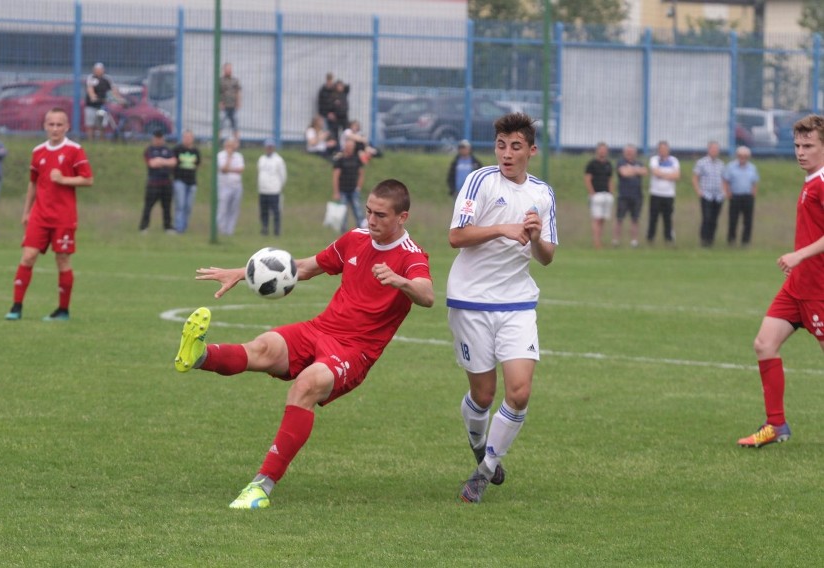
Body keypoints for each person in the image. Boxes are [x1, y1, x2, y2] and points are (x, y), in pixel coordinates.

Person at [173, 178, 434, 509]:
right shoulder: (355, 239)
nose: (371, 221)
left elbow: (427, 294)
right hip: (321, 328)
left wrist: (400, 281)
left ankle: (261, 486)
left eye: (380, 215)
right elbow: (307, 267)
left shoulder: (412, 256)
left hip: (355, 351)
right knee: (264, 347)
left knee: (306, 384)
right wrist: (244, 271)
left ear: (402, 218)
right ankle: (200, 356)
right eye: (368, 211)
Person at [447, 112, 558, 504]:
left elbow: (546, 257)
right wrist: (503, 228)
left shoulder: (543, 194)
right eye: (500, 146)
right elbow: (456, 236)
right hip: (470, 300)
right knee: (483, 394)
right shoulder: (479, 180)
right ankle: (480, 443)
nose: (506, 154)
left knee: (520, 391)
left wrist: (534, 236)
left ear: (531, 150)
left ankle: (485, 469)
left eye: (515, 147)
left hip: (517, 303)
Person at [737, 114, 824, 449]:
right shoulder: (810, 180)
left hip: (818, 289)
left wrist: (799, 255)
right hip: (797, 286)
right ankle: (775, 425)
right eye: (797, 145)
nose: (800, 152)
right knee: (764, 344)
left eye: (809, 146)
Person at [4, 108, 93, 321]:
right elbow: (33, 183)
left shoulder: (74, 150)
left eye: (59, 125)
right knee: (28, 256)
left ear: (67, 127)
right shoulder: (38, 152)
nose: (55, 129)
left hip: (64, 217)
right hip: (39, 215)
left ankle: (63, 310)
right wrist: (26, 211)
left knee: (62, 261)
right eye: (51, 124)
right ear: (44, 126)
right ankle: (16, 307)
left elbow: (88, 179)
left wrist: (64, 180)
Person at [139, 130, 178, 234]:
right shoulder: (149, 150)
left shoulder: (168, 150)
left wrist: (160, 160)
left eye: (160, 138)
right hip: (153, 183)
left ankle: (168, 227)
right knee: (148, 206)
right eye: (156, 138)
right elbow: (152, 163)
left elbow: (173, 162)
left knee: (167, 206)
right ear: (153, 139)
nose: (158, 140)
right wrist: (165, 162)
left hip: (166, 183)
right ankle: (144, 227)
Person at [722, 145, 759, 246]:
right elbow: (725, 180)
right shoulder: (731, 166)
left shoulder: (752, 168)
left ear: (748, 157)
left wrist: (753, 194)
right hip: (735, 196)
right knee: (733, 220)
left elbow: (754, 182)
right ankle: (731, 241)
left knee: (748, 221)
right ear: (737, 156)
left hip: (747, 197)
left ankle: (745, 242)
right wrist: (727, 192)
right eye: (740, 155)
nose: (743, 158)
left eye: (745, 156)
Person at [691, 141, 725, 247]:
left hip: (718, 196)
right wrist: (699, 191)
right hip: (706, 195)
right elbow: (695, 178)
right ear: (709, 150)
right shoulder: (701, 163)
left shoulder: (721, 164)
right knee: (707, 218)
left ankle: (711, 240)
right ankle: (704, 240)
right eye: (713, 149)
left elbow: (724, 179)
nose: (715, 151)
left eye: (716, 149)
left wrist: (724, 192)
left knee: (714, 219)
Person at [646, 140, 680, 245]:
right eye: (661, 149)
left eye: (665, 149)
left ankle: (668, 239)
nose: (663, 151)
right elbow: (655, 172)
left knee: (668, 218)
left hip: (669, 194)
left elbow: (677, 176)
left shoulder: (674, 160)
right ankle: (650, 238)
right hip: (656, 193)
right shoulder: (654, 160)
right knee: (653, 217)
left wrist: (663, 175)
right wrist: (669, 175)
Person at [614, 144, 647, 247]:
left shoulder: (639, 163)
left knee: (635, 219)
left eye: (631, 152)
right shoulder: (620, 162)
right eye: (628, 152)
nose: (629, 154)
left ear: (635, 153)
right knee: (619, 219)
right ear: (624, 153)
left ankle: (634, 241)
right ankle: (616, 240)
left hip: (637, 195)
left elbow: (645, 172)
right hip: (623, 195)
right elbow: (623, 173)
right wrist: (636, 170)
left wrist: (631, 170)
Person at [584, 142, 615, 249]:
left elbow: (610, 179)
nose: (602, 151)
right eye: (601, 149)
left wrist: (611, 192)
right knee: (596, 218)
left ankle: (599, 240)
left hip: (606, 194)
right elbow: (587, 179)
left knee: (602, 219)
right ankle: (596, 241)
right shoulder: (592, 164)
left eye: (604, 149)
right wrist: (592, 192)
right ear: (597, 150)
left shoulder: (608, 164)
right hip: (596, 194)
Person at [332, 137, 366, 231]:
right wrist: (336, 192)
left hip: (353, 189)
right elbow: (336, 176)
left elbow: (361, 173)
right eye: (348, 146)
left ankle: (362, 230)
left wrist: (358, 187)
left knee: (358, 211)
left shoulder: (357, 159)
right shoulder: (340, 159)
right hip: (343, 190)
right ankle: (343, 231)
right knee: (343, 213)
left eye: (352, 146)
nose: (350, 148)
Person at [172, 129, 202, 234]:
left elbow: (198, 164)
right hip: (180, 180)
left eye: (189, 137)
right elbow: (173, 163)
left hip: (192, 182)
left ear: (192, 139)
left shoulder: (195, 151)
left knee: (188, 206)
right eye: (185, 137)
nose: (187, 139)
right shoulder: (177, 149)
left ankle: (184, 226)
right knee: (180, 204)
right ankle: (178, 227)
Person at [85, 62, 124, 140]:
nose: (98, 71)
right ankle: (90, 141)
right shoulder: (91, 78)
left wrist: (120, 99)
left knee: (101, 125)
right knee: (90, 125)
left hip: (101, 106)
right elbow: (90, 89)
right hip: (91, 105)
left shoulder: (107, 79)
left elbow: (114, 90)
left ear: (103, 70)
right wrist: (93, 97)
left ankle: (101, 141)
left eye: (100, 69)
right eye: (96, 69)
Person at [257, 138, 287, 236]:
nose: (269, 148)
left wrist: (279, 186)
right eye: (267, 147)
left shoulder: (278, 160)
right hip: (263, 190)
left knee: (276, 212)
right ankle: (264, 228)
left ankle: (276, 230)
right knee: (263, 211)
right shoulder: (261, 159)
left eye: (270, 147)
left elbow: (283, 175)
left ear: (273, 148)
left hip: (274, 190)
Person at [216, 137, 245, 236]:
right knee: (223, 209)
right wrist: (228, 158)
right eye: (228, 145)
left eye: (232, 146)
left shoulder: (238, 156)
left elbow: (240, 170)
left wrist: (229, 169)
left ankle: (229, 231)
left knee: (233, 209)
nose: (230, 148)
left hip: (237, 186)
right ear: (225, 146)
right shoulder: (220, 156)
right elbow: (223, 169)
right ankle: (221, 230)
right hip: (224, 186)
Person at [219, 62, 242, 139]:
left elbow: (238, 92)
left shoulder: (235, 80)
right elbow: (218, 93)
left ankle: (237, 142)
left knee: (235, 125)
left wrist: (238, 102)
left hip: (233, 107)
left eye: (230, 69)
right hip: (224, 107)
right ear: (224, 70)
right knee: (220, 125)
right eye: (227, 69)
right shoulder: (220, 80)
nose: (229, 70)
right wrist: (220, 102)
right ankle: (216, 141)